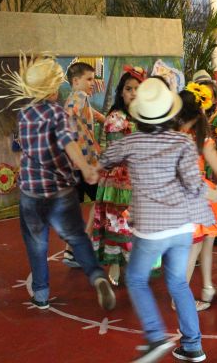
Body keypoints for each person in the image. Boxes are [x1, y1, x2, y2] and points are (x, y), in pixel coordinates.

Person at [99, 78, 217, 362]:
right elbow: (193, 183)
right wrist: (216, 192)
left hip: (151, 228)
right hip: (182, 226)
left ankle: (155, 336)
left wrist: (88, 165)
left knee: (136, 279)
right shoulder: (182, 142)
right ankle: (192, 345)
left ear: (139, 115)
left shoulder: (132, 142)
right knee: (178, 283)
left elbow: (104, 159)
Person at [0, 53, 116, 311]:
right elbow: (68, 143)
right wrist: (86, 168)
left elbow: (19, 149)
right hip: (59, 189)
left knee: (37, 245)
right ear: (51, 89)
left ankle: (41, 295)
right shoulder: (58, 113)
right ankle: (97, 277)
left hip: (31, 192)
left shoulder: (23, 115)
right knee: (77, 237)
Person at [176, 83, 217, 311]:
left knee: (200, 243)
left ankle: (207, 286)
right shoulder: (201, 140)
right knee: (194, 249)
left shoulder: (170, 136)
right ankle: (179, 300)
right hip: (196, 195)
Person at [92, 67, 145, 286]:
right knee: (118, 223)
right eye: (128, 89)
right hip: (119, 181)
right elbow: (115, 154)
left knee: (140, 226)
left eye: (137, 88)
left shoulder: (148, 117)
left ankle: (137, 267)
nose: (133, 93)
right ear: (121, 92)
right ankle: (115, 264)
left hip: (142, 180)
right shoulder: (116, 118)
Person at [62, 61, 106, 268]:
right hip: (84, 163)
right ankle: (82, 246)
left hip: (78, 164)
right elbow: (70, 113)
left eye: (93, 79)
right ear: (75, 81)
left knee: (80, 207)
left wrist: (104, 118)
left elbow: (90, 113)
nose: (92, 83)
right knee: (101, 199)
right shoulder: (78, 97)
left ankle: (72, 251)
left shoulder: (79, 98)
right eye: (88, 79)